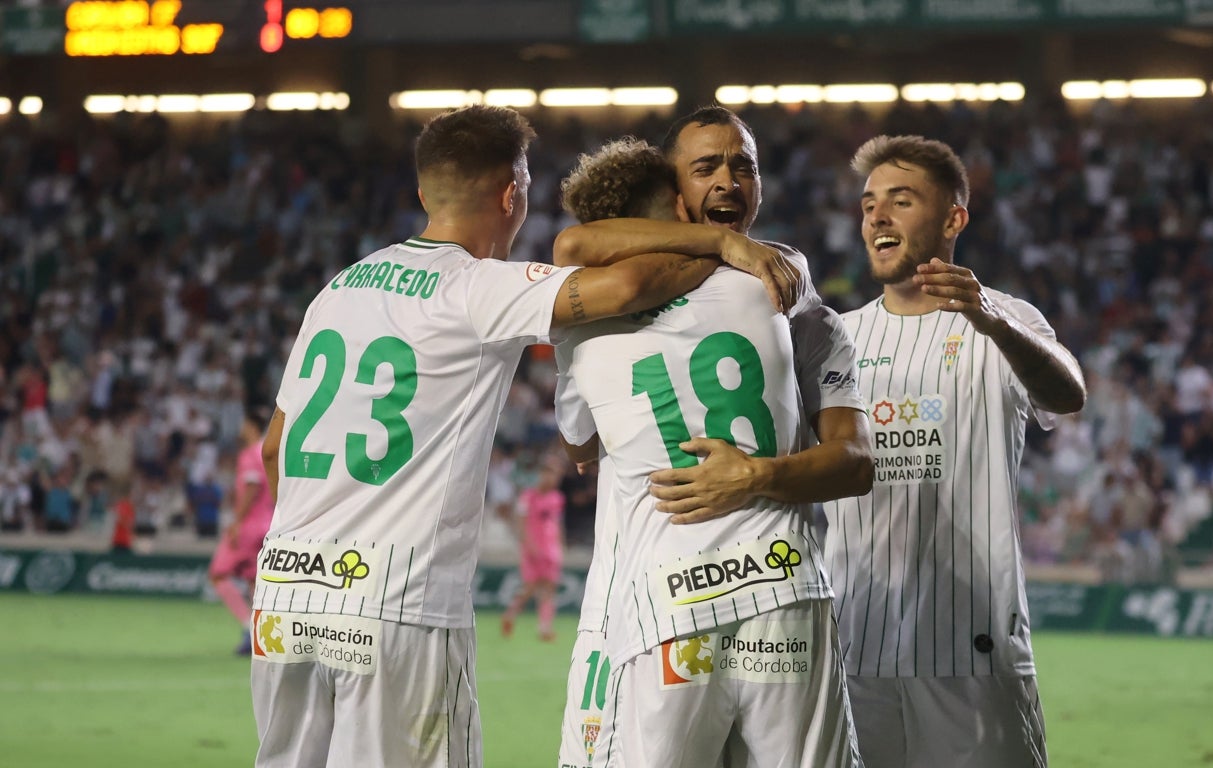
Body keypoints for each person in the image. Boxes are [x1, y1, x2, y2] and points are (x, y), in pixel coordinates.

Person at [248, 105, 793, 768]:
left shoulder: (336, 291)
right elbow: (627, 284)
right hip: (394, 603)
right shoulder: (477, 288)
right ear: (512, 195)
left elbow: (274, 449)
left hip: (284, 597)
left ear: (424, 193)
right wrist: (721, 244)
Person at [554, 131, 871, 767]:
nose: (727, 181)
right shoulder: (778, 282)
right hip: (782, 586)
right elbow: (857, 463)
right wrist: (725, 245)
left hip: (663, 598)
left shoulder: (579, 313)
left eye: (743, 166)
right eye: (706, 168)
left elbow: (578, 444)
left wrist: (752, 474)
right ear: (676, 197)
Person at [821, 134, 1088, 768]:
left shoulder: (1006, 320)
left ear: (953, 220)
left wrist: (993, 321)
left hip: (973, 648)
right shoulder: (834, 338)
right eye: (868, 205)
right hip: (853, 647)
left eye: (901, 200)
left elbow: (1067, 393)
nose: (878, 217)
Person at [208, 407, 275, 655]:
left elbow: (251, 487)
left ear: (252, 426)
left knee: (218, 574)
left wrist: (237, 522)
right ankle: (262, 632)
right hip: (268, 522)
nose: (241, 428)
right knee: (254, 581)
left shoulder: (250, 454)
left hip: (249, 525)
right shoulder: (270, 451)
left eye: (244, 424)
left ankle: (249, 627)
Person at [500, 457, 567, 642]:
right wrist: (529, 545)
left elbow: (557, 524)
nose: (553, 479)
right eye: (549, 473)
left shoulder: (557, 498)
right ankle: (510, 614)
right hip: (532, 549)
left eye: (556, 475)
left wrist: (561, 545)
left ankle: (545, 627)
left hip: (551, 550)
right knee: (529, 587)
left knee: (549, 588)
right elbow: (520, 523)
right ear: (541, 474)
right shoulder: (528, 496)